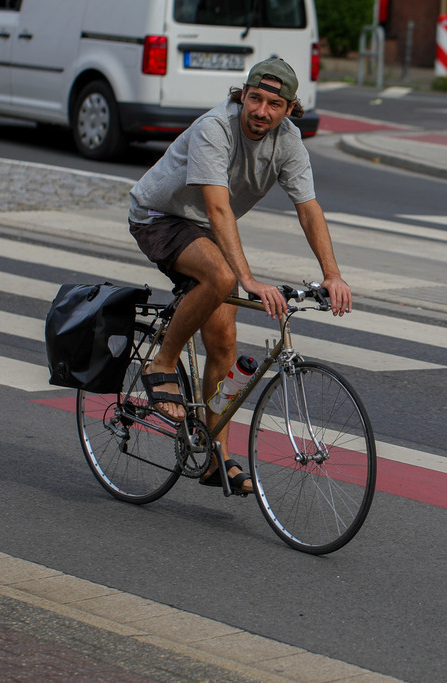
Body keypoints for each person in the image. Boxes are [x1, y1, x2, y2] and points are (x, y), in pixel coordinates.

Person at [127, 56, 352, 493]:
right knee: (222, 279)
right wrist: (247, 278)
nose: (261, 111)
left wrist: (333, 275)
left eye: (273, 103)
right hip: (160, 216)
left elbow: (309, 209)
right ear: (242, 96)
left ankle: (214, 458)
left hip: (206, 230)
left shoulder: (288, 141)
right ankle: (163, 361)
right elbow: (216, 207)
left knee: (224, 342)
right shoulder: (216, 127)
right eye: (254, 99)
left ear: (289, 109)